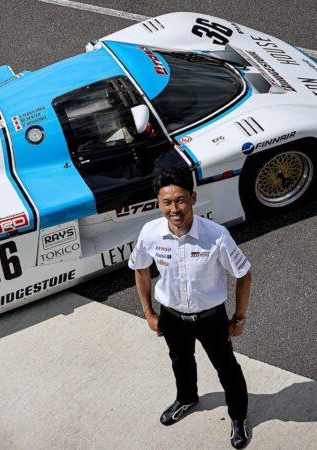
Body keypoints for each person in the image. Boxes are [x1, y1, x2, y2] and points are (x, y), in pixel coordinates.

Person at [128, 167, 252, 449]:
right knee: (180, 362)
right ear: (158, 204)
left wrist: (239, 319)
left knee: (227, 369)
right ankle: (186, 398)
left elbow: (243, 274)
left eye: (181, 200)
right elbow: (140, 269)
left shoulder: (216, 236)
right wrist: (149, 313)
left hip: (211, 318)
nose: (175, 209)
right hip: (171, 317)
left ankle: (238, 416)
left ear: (194, 198)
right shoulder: (150, 233)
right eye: (167, 202)